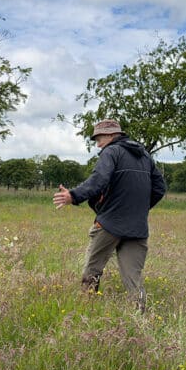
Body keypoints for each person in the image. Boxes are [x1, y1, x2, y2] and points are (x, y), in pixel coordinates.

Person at [52, 119, 166, 311]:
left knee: (92, 269)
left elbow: (99, 179)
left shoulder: (111, 152)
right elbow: (160, 188)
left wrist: (73, 195)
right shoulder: (145, 156)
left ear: (113, 135)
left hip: (109, 225)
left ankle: (86, 309)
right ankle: (140, 315)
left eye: (100, 138)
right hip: (137, 227)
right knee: (133, 277)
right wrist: (138, 209)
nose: (98, 144)